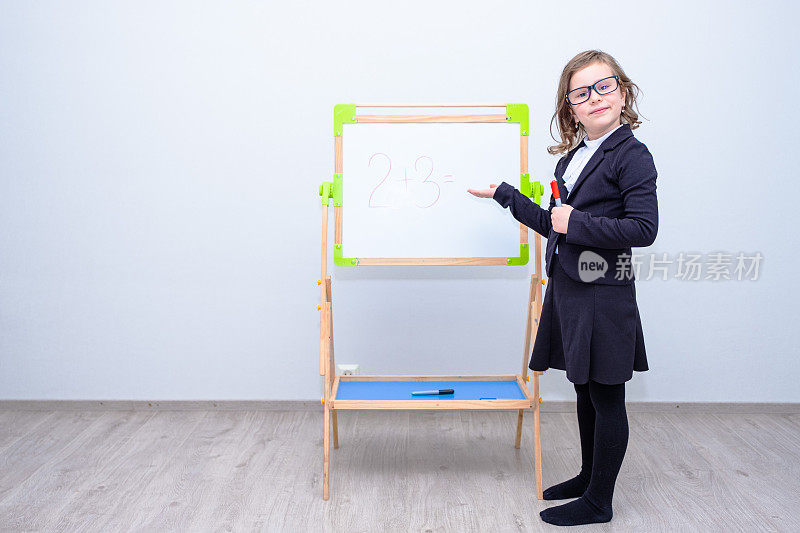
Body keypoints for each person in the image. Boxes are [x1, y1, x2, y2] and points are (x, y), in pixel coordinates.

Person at [467, 49, 658, 526]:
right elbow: (556, 225)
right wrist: (508, 197)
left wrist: (578, 221)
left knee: (606, 394)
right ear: (569, 107)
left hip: (604, 293)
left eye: (604, 86)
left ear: (623, 92)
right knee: (582, 389)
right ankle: (588, 477)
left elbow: (643, 229)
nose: (594, 97)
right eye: (580, 93)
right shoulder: (574, 158)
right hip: (571, 290)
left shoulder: (631, 155)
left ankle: (599, 501)